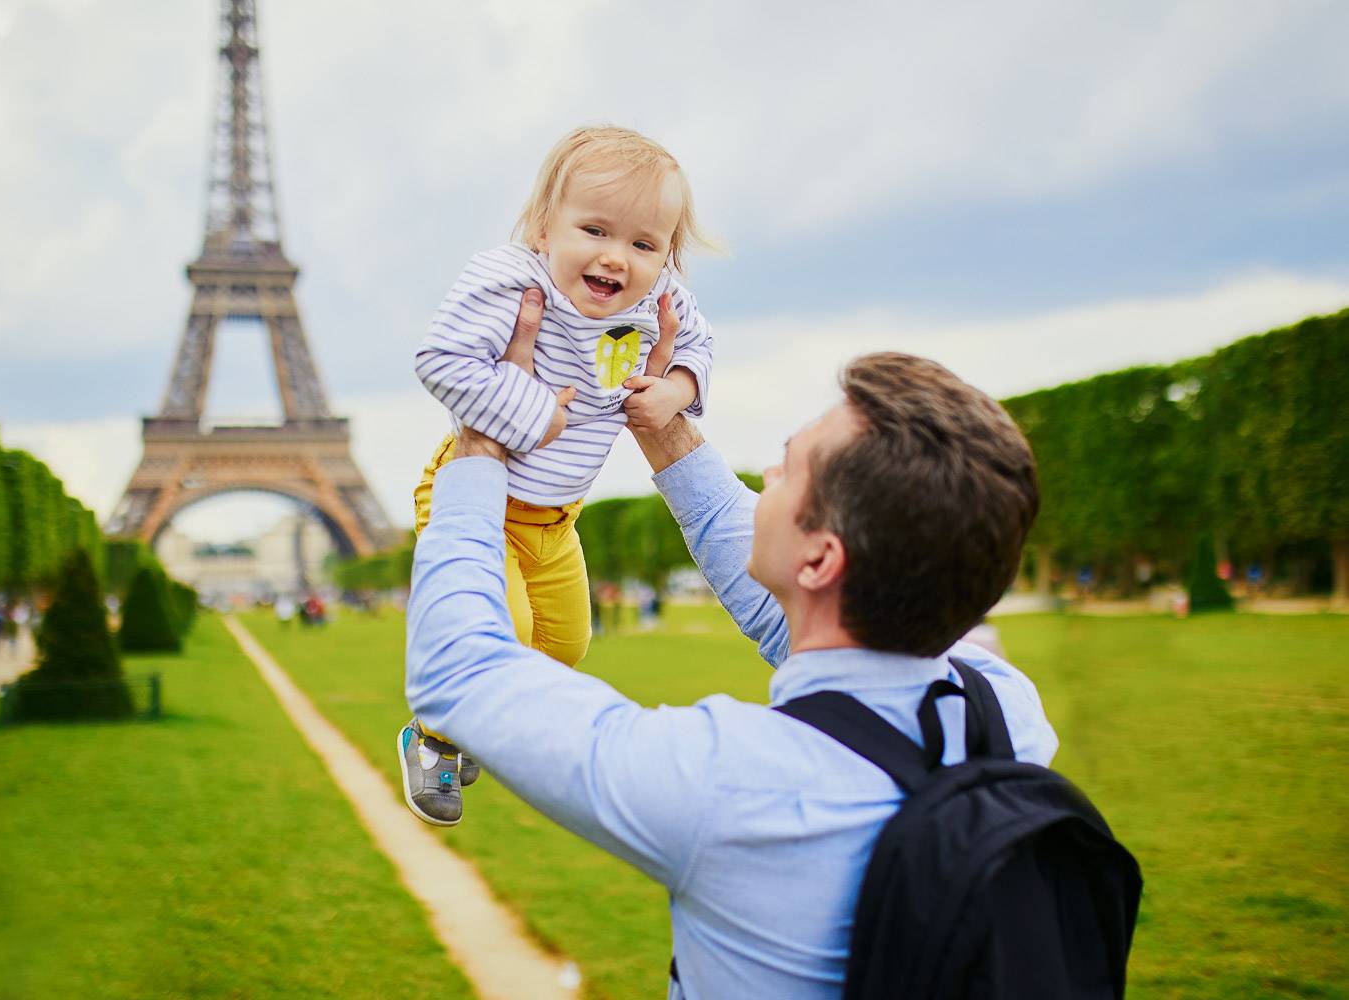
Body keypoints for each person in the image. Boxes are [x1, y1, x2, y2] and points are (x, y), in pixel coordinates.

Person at [404, 292, 1057, 997]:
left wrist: (481, 437)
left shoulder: (722, 784)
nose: (766, 480)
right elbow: (795, 608)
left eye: (788, 469)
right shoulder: (1008, 709)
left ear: (819, 561)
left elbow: (460, 671)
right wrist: (660, 422)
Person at [400, 125, 716, 826]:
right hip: (475, 493)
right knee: (498, 627)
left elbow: (696, 346)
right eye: (595, 229)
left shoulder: (660, 300)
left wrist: (677, 390)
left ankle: (474, 718)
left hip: (557, 517)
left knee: (565, 647)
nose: (616, 258)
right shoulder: (509, 278)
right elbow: (441, 359)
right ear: (543, 227)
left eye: (644, 243)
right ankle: (432, 738)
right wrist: (529, 409)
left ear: (667, 254)